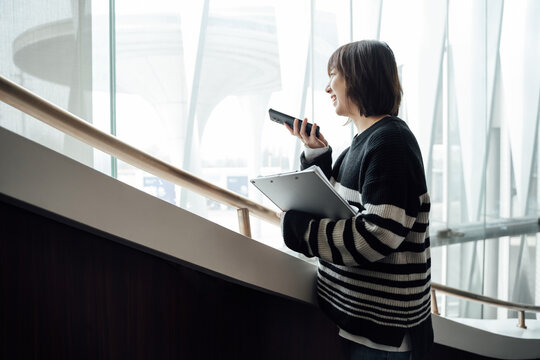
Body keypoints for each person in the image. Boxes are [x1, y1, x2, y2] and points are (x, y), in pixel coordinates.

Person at [279, 40, 433, 360]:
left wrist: (300, 231)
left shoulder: (390, 143)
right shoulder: (363, 144)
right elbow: (335, 205)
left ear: (358, 77)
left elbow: (377, 235)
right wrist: (317, 154)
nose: (327, 86)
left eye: (333, 74)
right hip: (360, 325)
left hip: (382, 339)